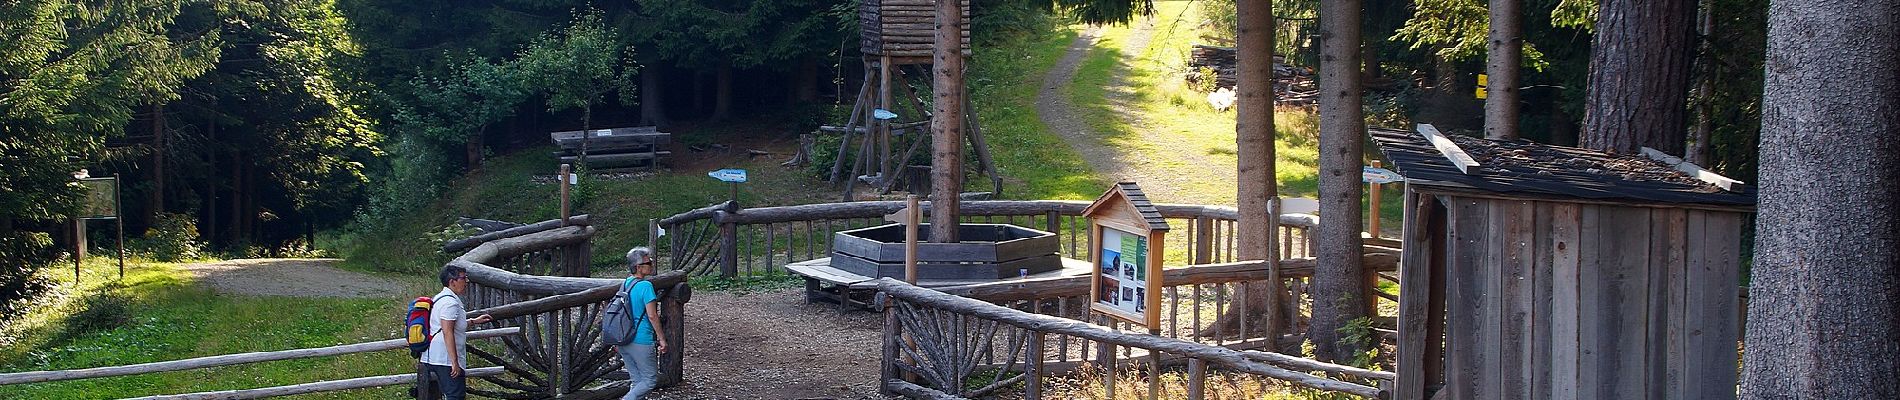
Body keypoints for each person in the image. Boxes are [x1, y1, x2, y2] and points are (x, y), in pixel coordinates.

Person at [420, 264, 493, 400]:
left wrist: (473, 321)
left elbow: (448, 325)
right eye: (463, 278)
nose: (466, 282)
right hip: (445, 359)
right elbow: (448, 331)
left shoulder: (439, 298)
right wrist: (454, 362)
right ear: (452, 281)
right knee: (455, 396)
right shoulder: (450, 303)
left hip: (432, 356)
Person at [616, 247, 669, 399]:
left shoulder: (625, 283)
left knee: (637, 380)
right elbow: (652, 315)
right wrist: (662, 339)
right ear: (638, 267)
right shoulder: (646, 286)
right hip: (641, 339)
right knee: (650, 380)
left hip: (624, 338)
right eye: (648, 262)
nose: (652, 264)